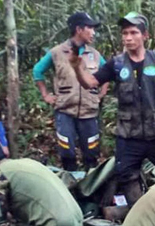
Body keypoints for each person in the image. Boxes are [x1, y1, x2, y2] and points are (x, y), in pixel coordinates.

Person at [70, 12, 155, 205]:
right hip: (129, 135)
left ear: (145, 36)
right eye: (125, 33)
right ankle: (141, 212)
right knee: (125, 175)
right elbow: (90, 83)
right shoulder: (116, 64)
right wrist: (77, 67)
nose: (128, 37)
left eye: (133, 32)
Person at [33, 12, 109, 171]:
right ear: (79, 29)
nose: (93, 33)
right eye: (90, 28)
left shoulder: (94, 54)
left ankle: (91, 186)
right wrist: (46, 95)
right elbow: (37, 71)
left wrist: (101, 94)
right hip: (65, 111)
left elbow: (107, 73)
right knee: (67, 151)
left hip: (89, 112)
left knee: (91, 152)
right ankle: (70, 183)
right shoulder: (57, 52)